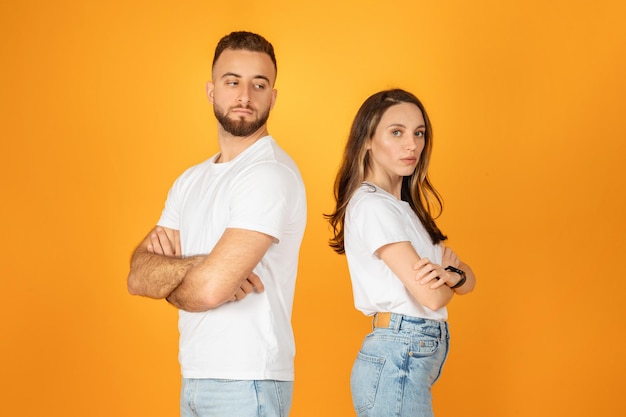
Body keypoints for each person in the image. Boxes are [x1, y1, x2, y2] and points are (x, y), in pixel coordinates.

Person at [127, 31, 307, 417]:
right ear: (212, 91)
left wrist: (179, 280)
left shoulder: (268, 174)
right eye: (232, 82)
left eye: (259, 84)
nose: (245, 96)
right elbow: (138, 276)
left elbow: (210, 291)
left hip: (249, 381)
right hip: (195, 376)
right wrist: (205, 266)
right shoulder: (190, 181)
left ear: (273, 96)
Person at [325, 88, 475, 417]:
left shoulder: (404, 208)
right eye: (397, 132)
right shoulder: (373, 206)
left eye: (419, 133)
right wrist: (450, 277)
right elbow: (432, 297)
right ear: (366, 139)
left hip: (407, 353)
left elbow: (468, 280)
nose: (412, 145)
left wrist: (451, 277)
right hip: (398, 353)